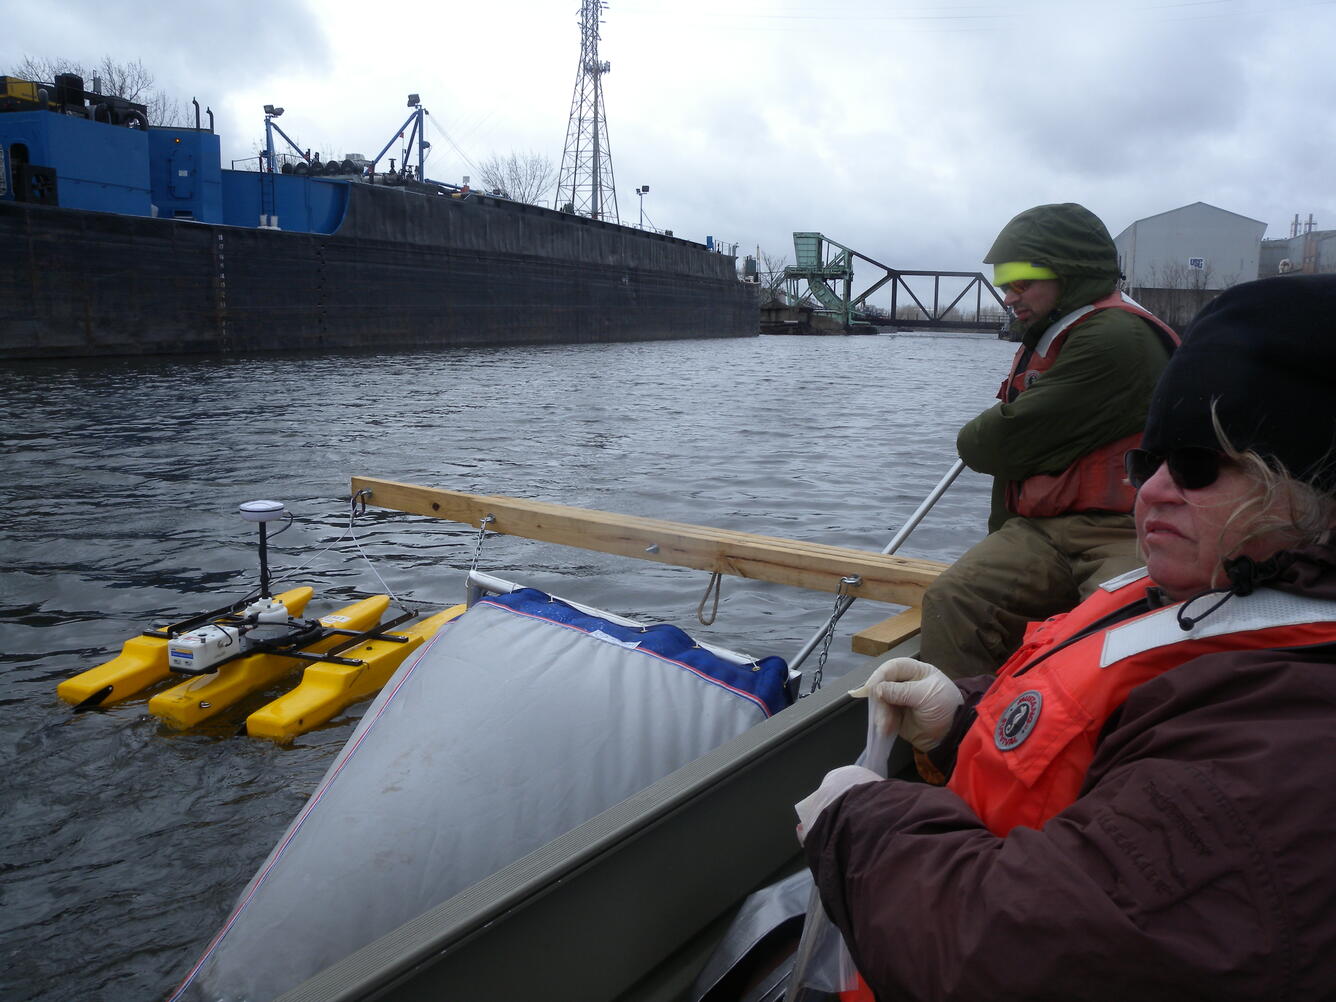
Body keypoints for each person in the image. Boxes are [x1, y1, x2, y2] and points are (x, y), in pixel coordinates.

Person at [797, 275, 1336, 1000]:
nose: (1149, 494)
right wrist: (962, 720)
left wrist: (855, 823)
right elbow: (1092, 743)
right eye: (1148, 463)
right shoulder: (1219, 591)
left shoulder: (1288, 733)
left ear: (1313, 489)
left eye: (1200, 467)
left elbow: (1018, 959)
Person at [919, 202, 1179, 679]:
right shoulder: (1056, 332)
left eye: (1023, 282)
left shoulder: (1117, 337)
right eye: (1004, 284)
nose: (1009, 297)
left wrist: (1000, 424)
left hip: (1124, 527)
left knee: (1111, 632)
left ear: (1070, 274)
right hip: (1044, 528)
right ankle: (957, 740)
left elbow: (990, 445)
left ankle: (1093, 746)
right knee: (952, 598)